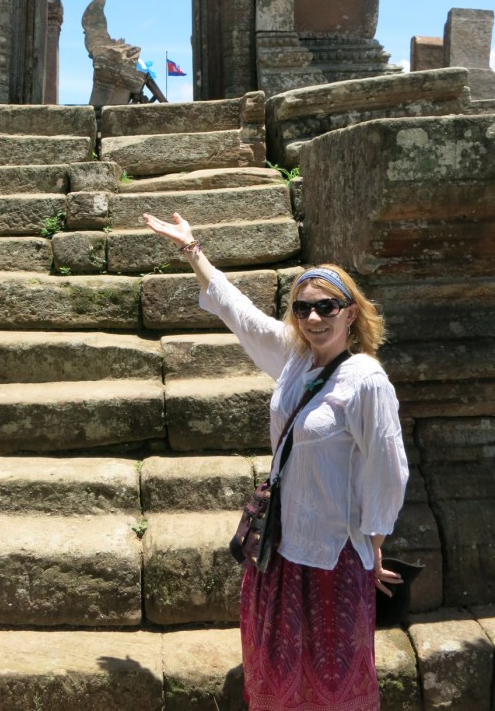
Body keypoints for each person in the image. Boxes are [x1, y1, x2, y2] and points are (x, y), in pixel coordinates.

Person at [142, 211, 409, 711]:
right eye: (303, 309)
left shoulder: (366, 380)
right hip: (280, 547)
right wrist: (192, 249)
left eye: (326, 307)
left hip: (333, 552)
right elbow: (238, 311)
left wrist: (374, 544)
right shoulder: (294, 358)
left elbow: (387, 466)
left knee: (334, 681)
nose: (313, 318)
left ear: (350, 314)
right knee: (276, 672)